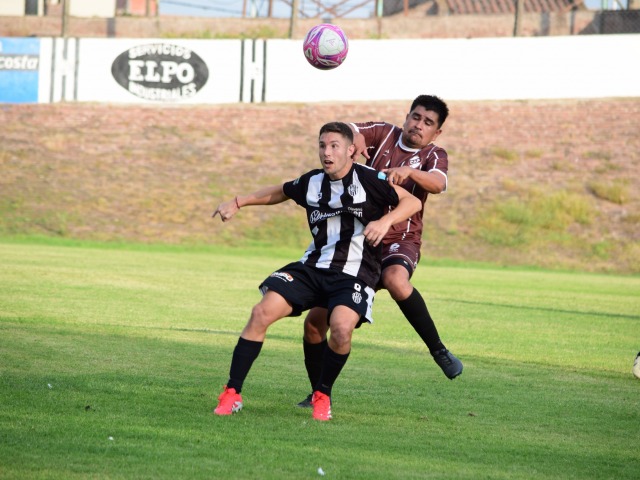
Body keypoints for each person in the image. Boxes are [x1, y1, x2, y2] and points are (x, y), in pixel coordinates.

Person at [211, 122, 421, 421]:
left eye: (335, 145)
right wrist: (238, 202)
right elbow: (280, 191)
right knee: (261, 313)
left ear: (351, 150)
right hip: (313, 267)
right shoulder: (311, 183)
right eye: (322, 145)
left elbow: (411, 201)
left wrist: (385, 222)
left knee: (341, 328)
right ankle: (232, 393)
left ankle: (322, 394)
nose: (327, 152)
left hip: (355, 272)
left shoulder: (369, 179)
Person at [297, 95, 463, 408]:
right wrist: (355, 142)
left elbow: (438, 184)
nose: (418, 125)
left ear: (436, 133)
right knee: (316, 323)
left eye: (428, 123)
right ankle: (318, 392)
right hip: (358, 245)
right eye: (416, 117)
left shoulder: (433, 154)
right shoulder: (383, 132)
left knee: (396, 278)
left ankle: (438, 349)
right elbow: (346, 128)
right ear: (407, 116)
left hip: (401, 238)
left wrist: (410, 172)